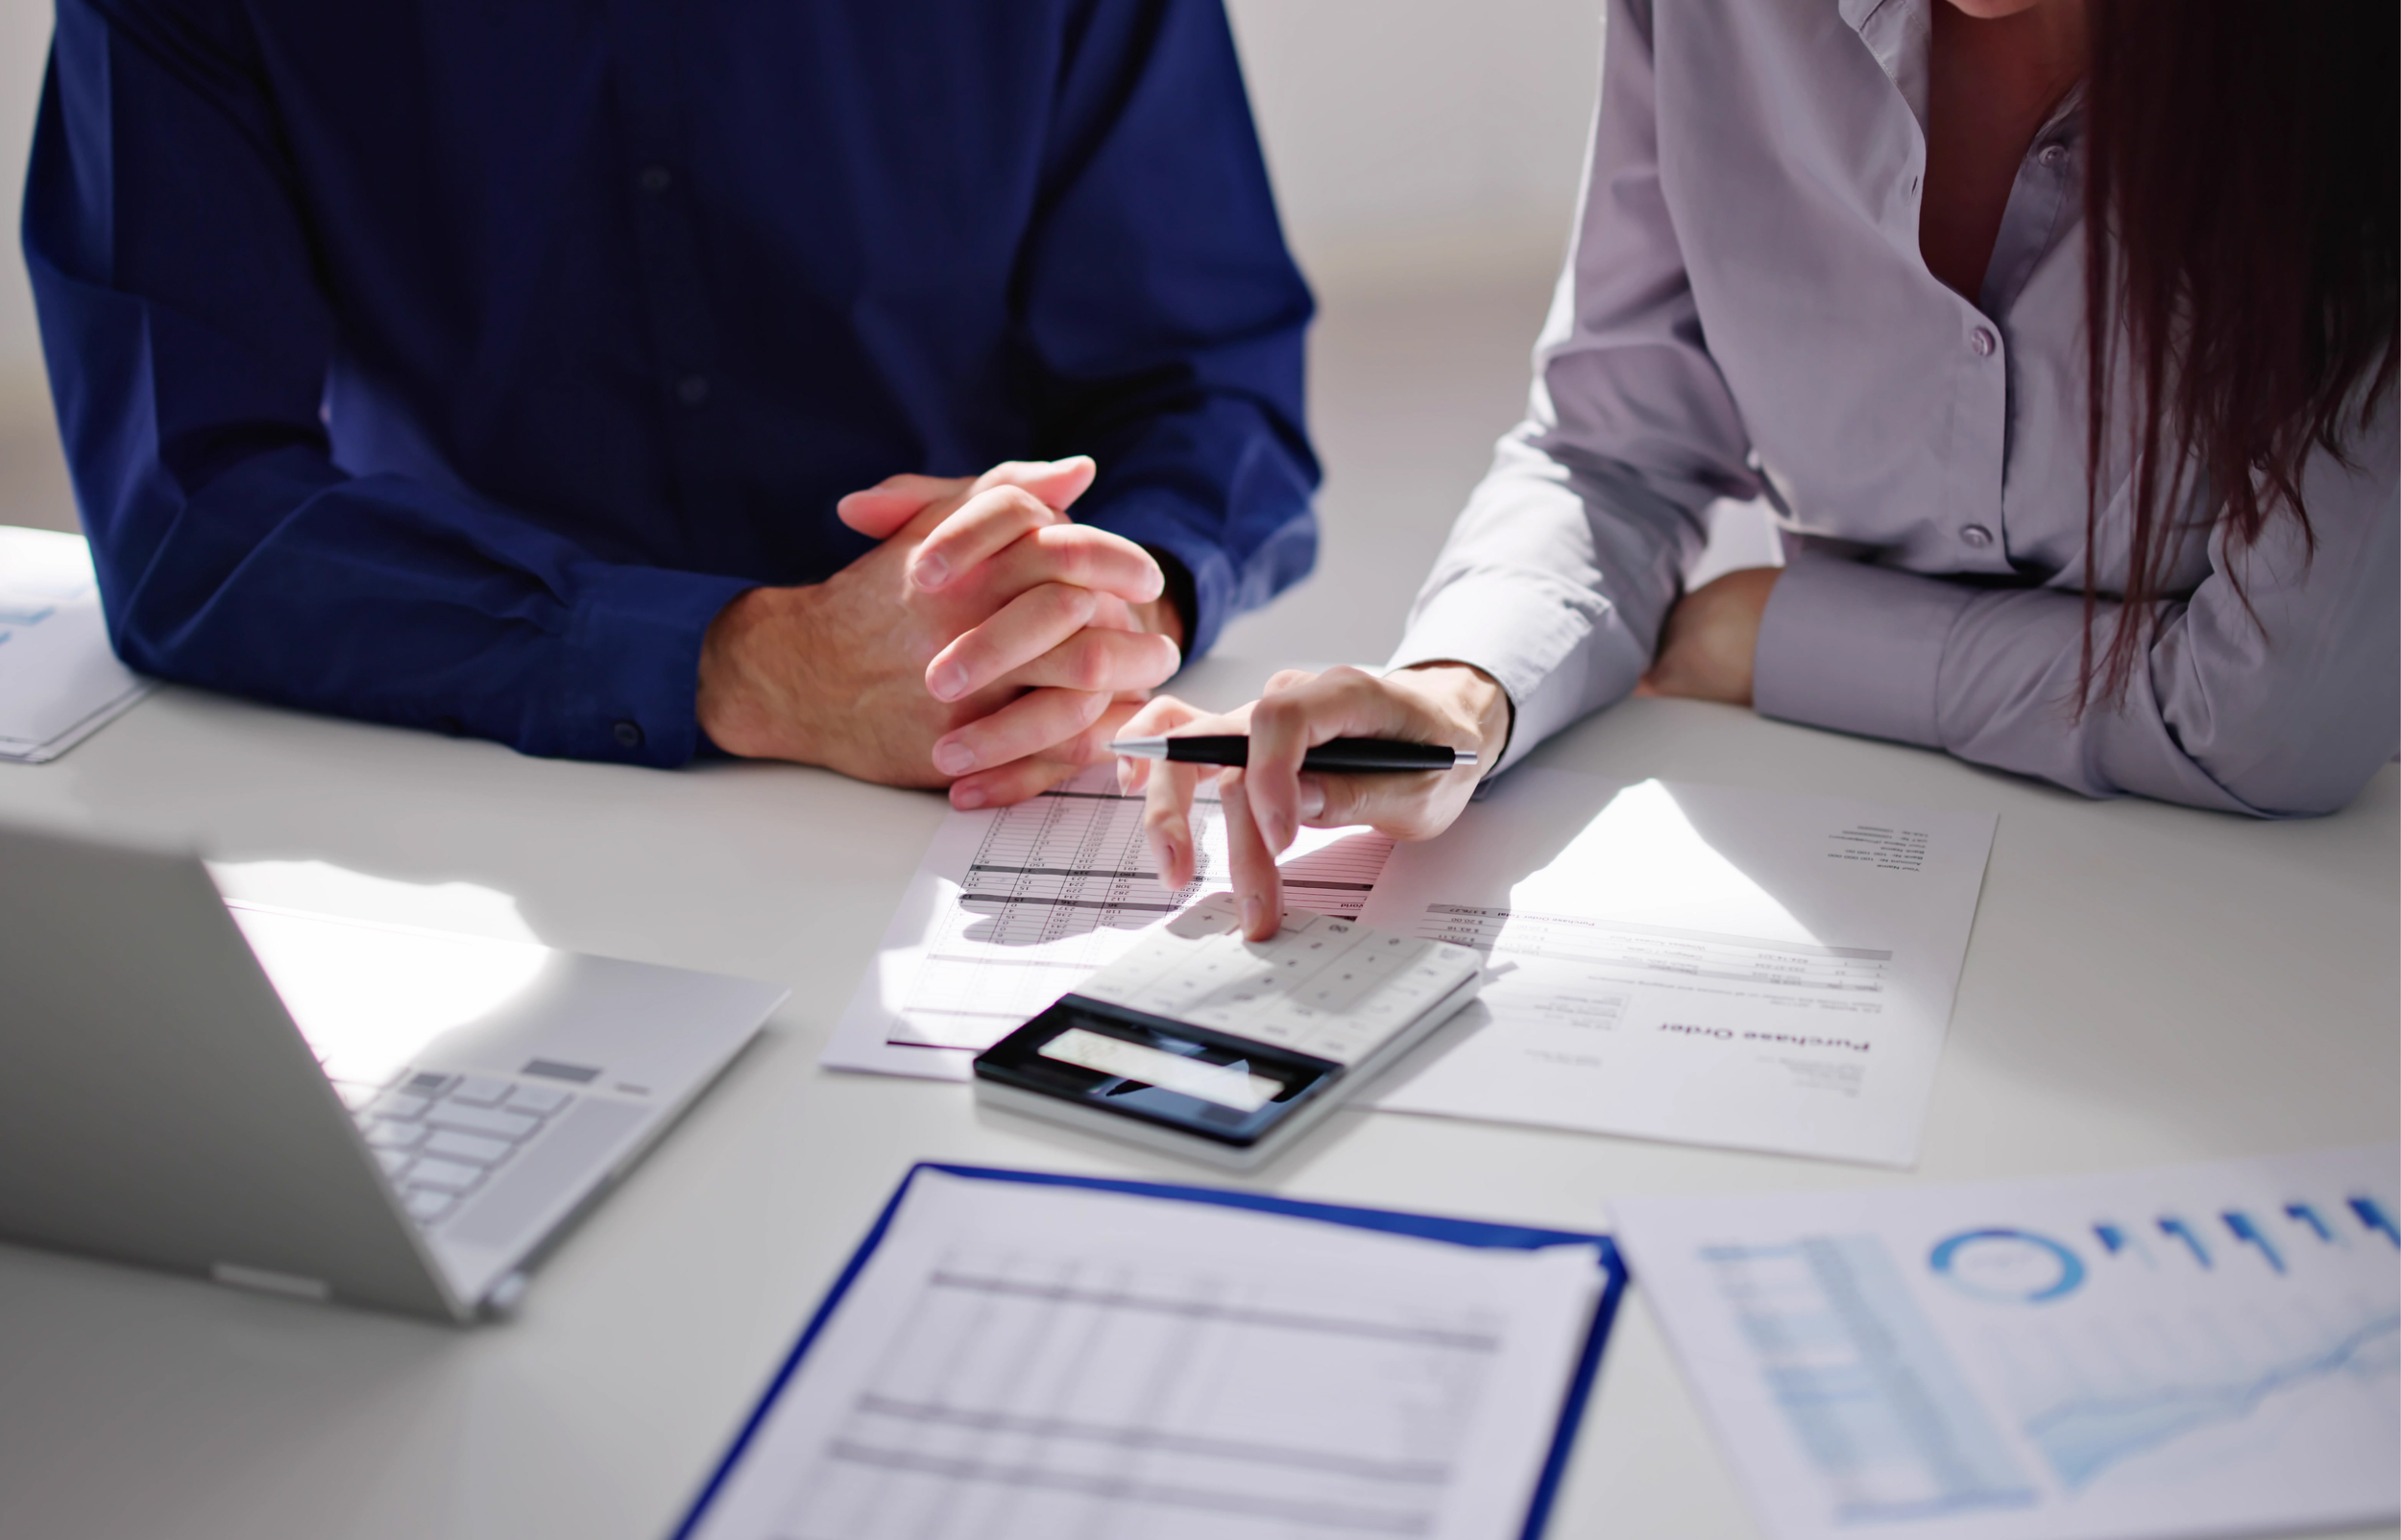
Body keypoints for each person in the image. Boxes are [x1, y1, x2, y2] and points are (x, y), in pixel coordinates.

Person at [1129, 0, 2398, 940]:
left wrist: (1793, 633)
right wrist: (1458, 693)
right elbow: (1612, 446)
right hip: (1868, 866)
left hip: (2280, 922)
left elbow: (2282, 718)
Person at [23, 0, 1317, 809]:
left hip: (967, 759)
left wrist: (1097, 603)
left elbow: (1210, 378)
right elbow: (189, 502)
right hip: (452, 744)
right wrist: (754, 662)